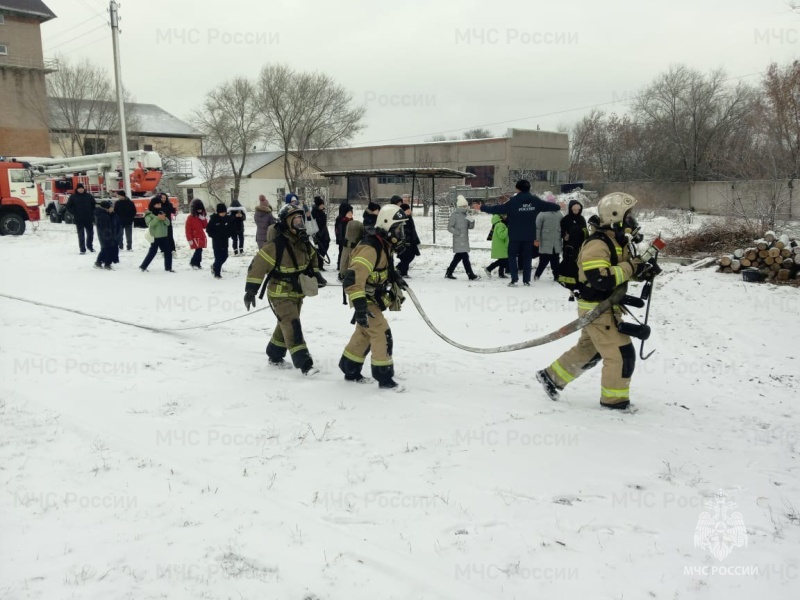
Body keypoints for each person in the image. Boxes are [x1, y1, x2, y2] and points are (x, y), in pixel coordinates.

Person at [535, 193, 660, 410]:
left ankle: (551, 378)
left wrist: (642, 271)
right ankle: (615, 401)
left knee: (590, 350)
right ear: (615, 216)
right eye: (629, 216)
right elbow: (600, 278)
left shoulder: (616, 242)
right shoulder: (597, 244)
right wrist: (632, 268)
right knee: (621, 354)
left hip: (606, 306)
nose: (633, 221)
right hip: (598, 309)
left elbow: (620, 269)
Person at [243, 204, 324, 376]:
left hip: (297, 291)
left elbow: (313, 258)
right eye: (295, 219)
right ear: (287, 222)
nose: (299, 222)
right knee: (292, 323)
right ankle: (305, 364)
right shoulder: (275, 246)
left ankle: (274, 352)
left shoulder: (303, 242)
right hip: (280, 292)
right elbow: (257, 266)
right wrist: (250, 290)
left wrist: (316, 275)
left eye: (300, 219)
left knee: (285, 324)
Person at [339, 204, 409, 390]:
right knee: (381, 331)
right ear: (387, 226)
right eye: (398, 229)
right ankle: (384, 377)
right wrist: (361, 308)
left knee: (364, 332)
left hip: (370, 297)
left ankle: (349, 368)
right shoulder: (370, 248)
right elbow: (353, 279)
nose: (401, 234)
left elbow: (382, 267)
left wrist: (395, 276)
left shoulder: (383, 244)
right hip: (363, 297)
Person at [472, 180, 560, 286]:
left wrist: (481, 207)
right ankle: (526, 280)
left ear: (518, 189)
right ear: (529, 188)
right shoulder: (535, 200)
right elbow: (549, 206)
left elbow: (497, 209)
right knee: (527, 257)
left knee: (512, 256)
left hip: (514, 236)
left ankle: (514, 280)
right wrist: (559, 206)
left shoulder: (513, 201)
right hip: (529, 235)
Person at [559, 199, 589, 300]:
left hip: (580, 246)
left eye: (578, 209)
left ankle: (579, 280)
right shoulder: (566, 219)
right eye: (574, 209)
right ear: (570, 209)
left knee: (578, 264)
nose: (576, 211)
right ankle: (568, 282)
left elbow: (585, 231)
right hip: (569, 246)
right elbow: (561, 231)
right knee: (569, 264)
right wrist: (564, 236)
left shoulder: (582, 219)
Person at [445, 195, 480, 280]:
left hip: (464, 240)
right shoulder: (454, 215)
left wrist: (472, 220)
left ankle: (449, 272)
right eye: (464, 206)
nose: (466, 207)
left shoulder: (466, 215)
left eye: (466, 206)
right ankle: (470, 275)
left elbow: (470, 227)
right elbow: (449, 227)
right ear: (460, 206)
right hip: (458, 240)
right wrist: (458, 233)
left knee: (458, 257)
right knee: (465, 257)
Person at [139, 197, 174, 272]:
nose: (159, 205)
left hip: (164, 236)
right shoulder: (149, 214)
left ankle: (168, 268)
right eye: (158, 204)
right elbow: (150, 224)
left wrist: (164, 219)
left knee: (168, 251)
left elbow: (168, 223)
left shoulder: (162, 212)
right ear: (153, 205)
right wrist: (158, 218)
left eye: (160, 204)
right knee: (152, 252)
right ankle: (143, 266)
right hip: (155, 236)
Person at [534, 198, 563, 281]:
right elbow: (537, 228)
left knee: (555, 262)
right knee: (543, 261)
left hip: (556, 242)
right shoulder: (542, 214)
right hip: (545, 242)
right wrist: (537, 239)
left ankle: (556, 277)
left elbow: (563, 225)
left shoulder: (559, 214)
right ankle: (537, 275)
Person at [65, 182, 96, 254]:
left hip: (88, 218)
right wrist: (74, 212)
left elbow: (93, 205)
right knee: (81, 235)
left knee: (90, 234)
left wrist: (92, 213)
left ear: (83, 189)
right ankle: (82, 249)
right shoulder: (73, 197)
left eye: (82, 188)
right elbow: (68, 206)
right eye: (79, 189)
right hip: (79, 219)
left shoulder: (89, 196)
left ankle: (90, 246)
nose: (81, 190)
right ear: (77, 189)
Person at [206, 203, 234, 278]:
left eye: (224, 212)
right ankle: (217, 273)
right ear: (218, 212)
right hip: (216, 242)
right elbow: (208, 230)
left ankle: (214, 266)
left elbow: (231, 228)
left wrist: (229, 234)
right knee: (218, 258)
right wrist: (213, 236)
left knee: (225, 256)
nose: (223, 214)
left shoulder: (228, 219)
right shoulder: (214, 219)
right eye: (221, 212)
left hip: (225, 241)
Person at [395, 203, 420, 277]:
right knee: (406, 256)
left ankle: (399, 269)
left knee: (411, 256)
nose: (409, 211)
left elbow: (412, 229)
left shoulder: (409, 217)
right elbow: (401, 230)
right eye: (407, 210)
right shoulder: (401, 219)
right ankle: (403, 272)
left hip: (411, 240)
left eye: (409, 209)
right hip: (405, 241)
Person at [484, 213, 509, 278]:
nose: (505, 217)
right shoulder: (500, 225)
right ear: (500, 217)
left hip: (500, 245)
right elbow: (502, 235)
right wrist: (508, 229)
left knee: (503, 259)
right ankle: (489, 268)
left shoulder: (497, 224)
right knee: (503, 260)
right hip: (501, 245)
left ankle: (501, 274)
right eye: (504, 215)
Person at [185, 199, 208, 269]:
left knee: (199, 250)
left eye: (201, 210)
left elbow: (205, 226)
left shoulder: (201, 216)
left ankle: (197, 263)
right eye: (198, 210)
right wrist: (189, 239)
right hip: (194, 237)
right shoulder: (190, 218)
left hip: (201, 236)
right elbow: (187, 230)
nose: (200, 211)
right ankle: (194, 262)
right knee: (198, 250)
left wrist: (203, 219)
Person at [93, 200, 116, 270]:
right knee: (108, 248)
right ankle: (107, 264)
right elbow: (106, 226)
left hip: (102, 234)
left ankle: (98, 262)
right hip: (106, 234)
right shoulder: (103, 215)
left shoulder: (101, 213)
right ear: (106, 207)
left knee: (104, 249)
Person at [311, 196, 331, 270]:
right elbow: (314, 223)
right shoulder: (314, 212)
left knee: (326, 245)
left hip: (324, 232)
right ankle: (319, 264)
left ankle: (320, 262)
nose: (323, 206)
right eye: (322, 204)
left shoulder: (321, 212)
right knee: (319, 249)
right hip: (318, 233)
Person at [334, 201, 354, 271]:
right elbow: (339, 232)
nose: (351, 214)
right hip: (343, 240)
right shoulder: (341, 221)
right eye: (349, 213)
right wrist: (342, 240)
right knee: (342, 253)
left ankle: (346, 265)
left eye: (351, 213)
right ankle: (340, 265)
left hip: (349, 240)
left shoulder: (350, 220)